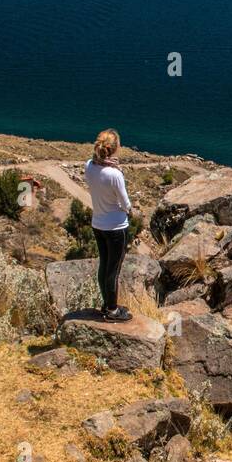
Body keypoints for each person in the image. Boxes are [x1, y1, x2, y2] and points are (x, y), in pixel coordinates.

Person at [85, 128, 133, 321]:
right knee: (114, 268)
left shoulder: (89, 166)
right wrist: (129, 210)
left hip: (98, 224)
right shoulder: (114, 174)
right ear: (114, 149)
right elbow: (126, 203)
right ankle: (112, 311)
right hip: (116, 227)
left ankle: (106, 303)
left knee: (104, 265)